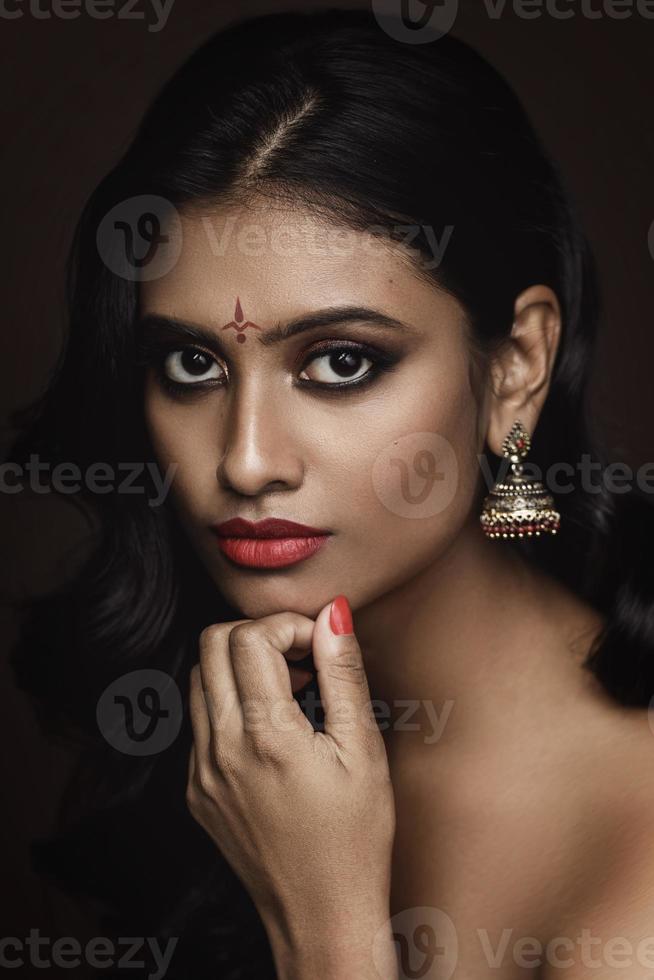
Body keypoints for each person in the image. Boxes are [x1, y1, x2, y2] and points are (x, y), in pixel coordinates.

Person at [8, 8, 654, 979]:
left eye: (341, 361)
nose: (247, 459)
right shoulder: (238, 754)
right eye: (191, 362)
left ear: (517, 364)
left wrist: (328, 928)